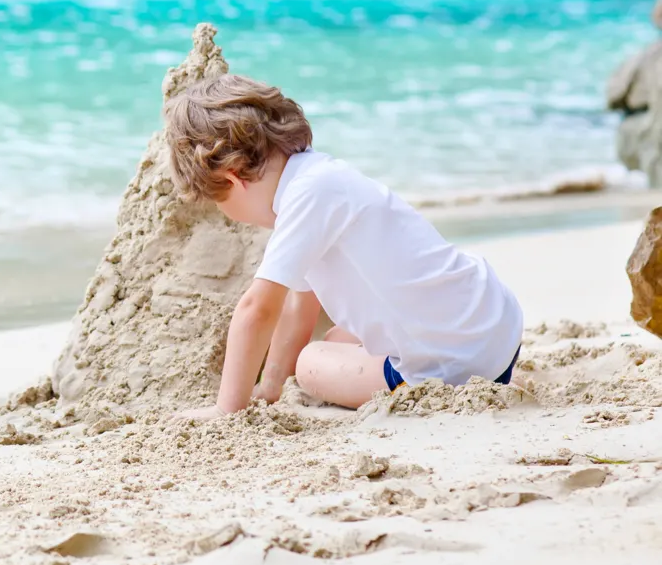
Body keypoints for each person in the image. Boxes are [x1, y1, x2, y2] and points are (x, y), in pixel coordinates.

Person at [163, 73, 523, 416]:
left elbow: (257, 309)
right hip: (495, 324)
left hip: (456, 364)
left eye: (219, 205)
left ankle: (417, 371)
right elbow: (299, 307)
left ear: (232, 180)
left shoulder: (305, 197)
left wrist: (228, 407)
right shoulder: (319, 178)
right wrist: (270, 388)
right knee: (336, 337)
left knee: (310, 364)